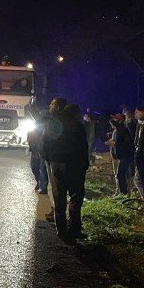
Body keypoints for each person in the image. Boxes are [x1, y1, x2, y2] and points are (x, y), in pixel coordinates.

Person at [39, 98, 90, 241]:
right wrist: (85, 164)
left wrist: (49, 159)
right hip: (75, 166)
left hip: (56, 165)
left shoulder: (52, 124)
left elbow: (43, 145)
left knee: (59, 197)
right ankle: (74, 229)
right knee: (75, 197)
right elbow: (83, 147)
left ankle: (61, 230)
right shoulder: (78, 126)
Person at [106, 113, 135, 195]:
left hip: (124, 155)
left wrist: (113, 143)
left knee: (121, 174)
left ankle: (124, 193)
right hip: (121, 155)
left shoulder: (122, 131)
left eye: (115, 120)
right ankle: (122, 191)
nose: (112, 125)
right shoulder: (119, 130)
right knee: (120, 174)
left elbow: (122, 143)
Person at [27, 111, 49, 194]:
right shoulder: (36, 126)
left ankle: (43, 187)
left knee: (43, 169)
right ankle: (38, 181)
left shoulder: (48, 124)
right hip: (35, 150)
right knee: (34, 168)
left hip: (43, 150)